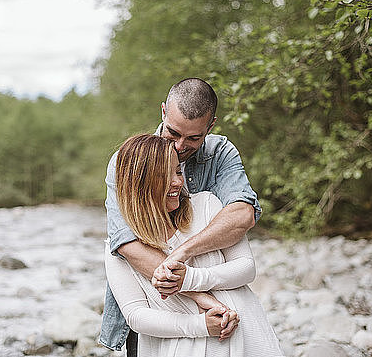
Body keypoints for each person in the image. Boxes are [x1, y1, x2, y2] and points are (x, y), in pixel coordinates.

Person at [99, 78, 264, 354]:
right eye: (173, 133)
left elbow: (242, 215)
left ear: (210, 126)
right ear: (163, 112)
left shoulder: (220, 154)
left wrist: (182, 254)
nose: (178, 146)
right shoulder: (128, 161)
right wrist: (199, 297)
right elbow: (125, 243)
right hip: (159, 311)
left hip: (222, 311)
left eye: (193, 138)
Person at [105, 134, 283, 356]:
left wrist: (188, 279)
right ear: (140, 181)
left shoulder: (208, 205)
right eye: (164, 175)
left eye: (178, 171)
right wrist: (200, 326)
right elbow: (136, 315)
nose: (178, 182)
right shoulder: (122, 246)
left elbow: (246, 268)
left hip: (246, 341)